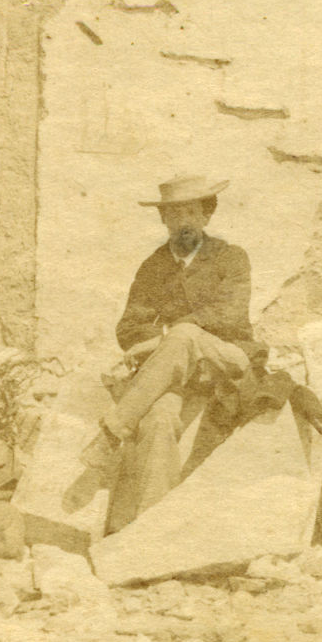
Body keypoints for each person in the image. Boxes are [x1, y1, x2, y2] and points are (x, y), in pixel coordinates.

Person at [86, 176, 256, 532]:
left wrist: (164, 338)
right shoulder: (153, 267)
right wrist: (157, 341)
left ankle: (111, 432)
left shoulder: (231, 258)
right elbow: (130, 326)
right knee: (159, 419)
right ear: (163, 220)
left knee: (183, 333)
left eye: (191, 212)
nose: (183, 223)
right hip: (174, 373)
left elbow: (230, 316)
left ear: (207, 216)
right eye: (174, 215)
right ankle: (150, 532)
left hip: (226, 360)